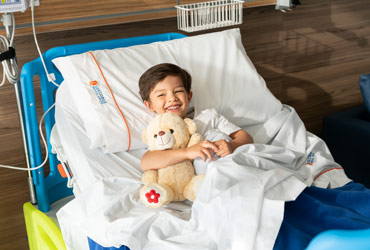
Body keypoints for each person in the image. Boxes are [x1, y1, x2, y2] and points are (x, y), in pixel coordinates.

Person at [138, 63, 254, 171]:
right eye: (161, 94)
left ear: (189, 96)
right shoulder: (157, 129)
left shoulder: (208, 117)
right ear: (149, 105)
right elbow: (146, 162)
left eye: (178, 91)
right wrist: (187, 152)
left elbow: (246, 137)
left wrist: (232, 145)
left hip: (227, 166)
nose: (172, 98)